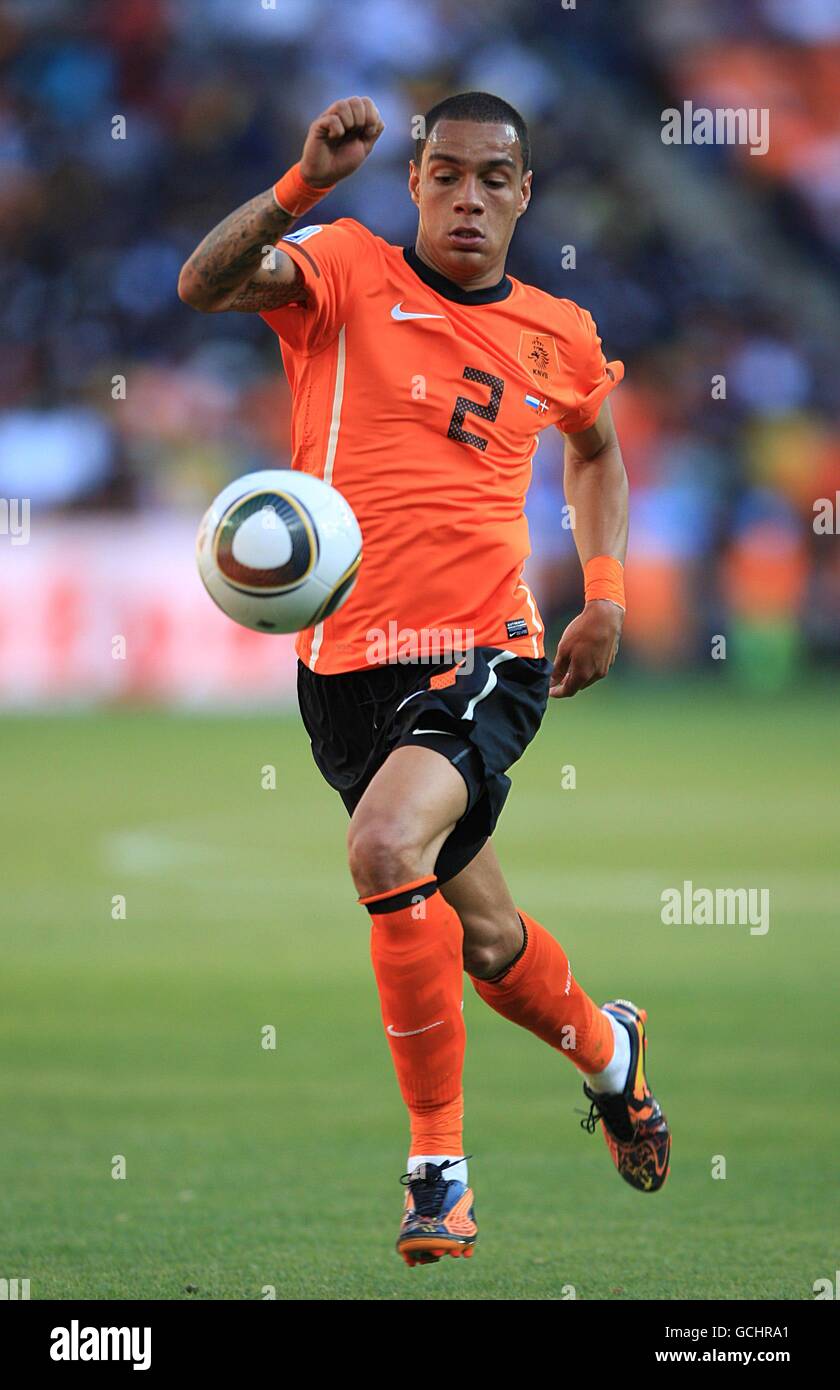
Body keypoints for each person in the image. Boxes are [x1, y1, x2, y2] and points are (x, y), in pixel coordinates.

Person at [179, 91, 670, 1268]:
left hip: (484, 654)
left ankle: (437, 1170)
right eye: (445, 173)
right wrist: (302, 183)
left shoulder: (559, 331)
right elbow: (202, 284)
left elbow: (595, 447)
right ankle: (610, 1052)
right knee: (487, 938)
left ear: (524, 193)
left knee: (384, 848)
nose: (468, 196)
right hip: (342, 670)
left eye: (494, 177)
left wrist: (604, 592)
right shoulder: (339, 271)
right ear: (413, 184)